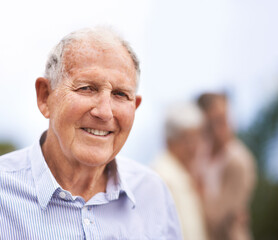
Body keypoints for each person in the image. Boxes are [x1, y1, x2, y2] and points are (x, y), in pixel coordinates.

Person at [0, 27, 182, 239]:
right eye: (87, 88)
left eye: (120, 94)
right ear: (45, 96)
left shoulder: (152, 193)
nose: (104, 112)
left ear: (135, 106)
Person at [196, 93, 257, 240]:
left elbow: (218, 218)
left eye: (225, 118)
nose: (224, 126)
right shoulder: (200, 153)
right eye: (215, 121)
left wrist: (197, 191)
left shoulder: (239, 162)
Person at [152, 102, 208, 240]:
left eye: (197, 138)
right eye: (188, 140)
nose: (194, 147)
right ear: (170, 140)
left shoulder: (183, 173)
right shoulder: (162, 176)